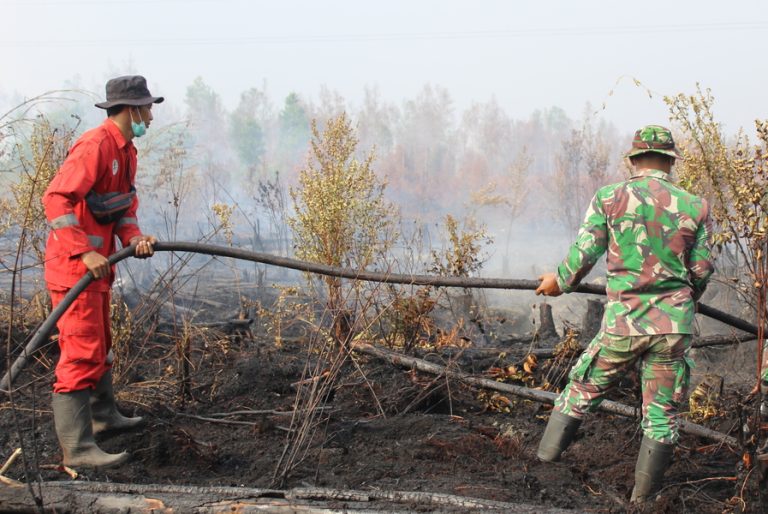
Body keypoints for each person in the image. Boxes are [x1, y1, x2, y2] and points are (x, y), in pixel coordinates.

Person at [534, 125, 714, 503]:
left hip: (625, 323)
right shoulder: (695, 205)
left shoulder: (610, 197)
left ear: (632, 161)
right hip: (673, 328)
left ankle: (541, 470)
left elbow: (585, 252)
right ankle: (642, 502)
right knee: (662, 414)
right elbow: (701, 270)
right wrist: (682, 302)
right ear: (670, 161)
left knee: (580, 390)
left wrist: (559, 282)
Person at [42, 75, 162, 468]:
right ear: (132, 109)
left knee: (101, 345)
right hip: (74, 270)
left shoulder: (126, 150)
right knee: (80, 352)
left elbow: (122, 206)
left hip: (98, 271)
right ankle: (77, 449)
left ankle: (103, 416)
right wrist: (83, 252)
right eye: (147, 108)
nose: (150, 115)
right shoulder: (95, 146)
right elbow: (56, 198)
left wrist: (135, 238)